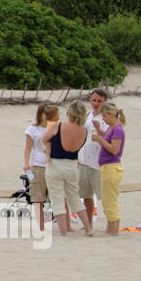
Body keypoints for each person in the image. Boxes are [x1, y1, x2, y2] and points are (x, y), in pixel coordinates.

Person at [43, 100, 91, 236]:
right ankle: (88, 228)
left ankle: (63, 231)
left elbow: (43, 139)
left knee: (57, 198)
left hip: (55, 164)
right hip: (72, 165)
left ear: (69, 113)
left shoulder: (58, 126)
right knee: (74, 197)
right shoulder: (83, 131)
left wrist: (49, 144)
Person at [93, 101, 127, 235]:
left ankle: (114, 229)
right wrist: (100, 132)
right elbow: (108, 140)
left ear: (112, 115)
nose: (104, 120)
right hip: (107, 167)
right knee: (107, 199)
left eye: (105, 117)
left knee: (110, 200)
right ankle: (110, 228)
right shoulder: (111, 128)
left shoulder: (118, 129)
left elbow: (114, 150)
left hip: (112, 167)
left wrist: (99, 140)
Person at [23, 103, 57, 233]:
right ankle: (40, 226)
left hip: (53, 164)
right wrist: (26, 164)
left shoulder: (54, 128)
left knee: (56, 195)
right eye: (44, 113)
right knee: (37, 196)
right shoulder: (32, 129)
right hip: (37, 165)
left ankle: (58, 221)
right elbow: (27, 148)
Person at [76, 88, 109, 226]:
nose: (96, 103)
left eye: (99, 101)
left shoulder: (107, 118)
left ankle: (111, 224)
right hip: (84, 160)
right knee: (86, 196)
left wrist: (100, 131)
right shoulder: (87, 116)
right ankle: (88, 224)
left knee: (105, 196)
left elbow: (111, 138)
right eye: (94, 100)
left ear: (104, 102)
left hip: (99, 162)